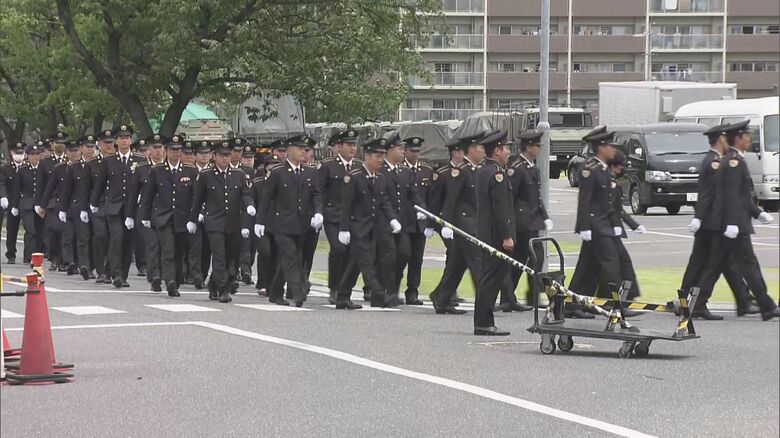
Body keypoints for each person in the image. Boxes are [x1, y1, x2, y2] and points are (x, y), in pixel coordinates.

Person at [701, 121, 779, 320]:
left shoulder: (730, 159)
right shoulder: (734, 161)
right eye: (747, 137)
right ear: (738, 138)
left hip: (727, 223)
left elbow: (741, 197)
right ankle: (767, 305)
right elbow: (732, 195)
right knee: (749, 265)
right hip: (734, 225)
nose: (749, 140)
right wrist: (733, 222)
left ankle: (698, 302)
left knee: (715, 264)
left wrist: (757, 212)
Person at [680, 124, 758, 319]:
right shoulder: (714, 162)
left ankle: (741, 300)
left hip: (712, 222)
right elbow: (709, 194)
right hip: (713, 223)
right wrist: (699, 217)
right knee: (715, 263)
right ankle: (694, 302)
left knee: (712, 263)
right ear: (721, 139)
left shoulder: (719, 160)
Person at [255, 135, 322, 307]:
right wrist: (259, 222)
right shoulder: (277, 172)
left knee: (291, 258)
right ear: (290, 150)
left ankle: (276, 292)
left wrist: (318, 213)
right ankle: (297, 291)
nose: (303, 153)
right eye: (300, 149)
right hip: (282, 224)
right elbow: (266, 198)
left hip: (301, 225)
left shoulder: (310, 172)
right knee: (291, 256)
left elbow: (316, 194)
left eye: (305, 150)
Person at [336, 137, 399, 309]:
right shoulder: (354, 177)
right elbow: (346, 205)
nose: (380, 160)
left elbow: (384, 201)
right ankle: (379, 295)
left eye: (382, 156)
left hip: (372, 228)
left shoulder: (380, 178)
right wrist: (343, 229)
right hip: (356, 227)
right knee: (367, 263)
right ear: (367, 157)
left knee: (355, 264)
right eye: (377, 156)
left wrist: (392, 219)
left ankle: (342, 296)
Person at [188, 141, 254, 303]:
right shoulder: (206, 175)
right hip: (214, 222)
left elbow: (245, 193)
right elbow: (198, 199)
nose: (225, 158)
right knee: (219, 255)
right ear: (214, 156)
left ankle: (213, 283)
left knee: (232, 257)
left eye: (227, 155)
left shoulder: (238, 174)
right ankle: (224, 289)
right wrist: (193, 219)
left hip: (233, 222)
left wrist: (249, 205)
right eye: (221, 155)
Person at [568, 128, 622, 318]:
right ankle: (618, 304)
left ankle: (579, 303)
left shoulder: (603, 168)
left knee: (589, 268)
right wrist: (584, 227)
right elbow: (585, 200)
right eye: (609, 145)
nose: (612, 149)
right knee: (611, 263)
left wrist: (614, 222)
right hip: (595, 226)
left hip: (603, 223)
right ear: (600, 147)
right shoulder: (589, 169)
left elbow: (607, 201)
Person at [141, 135, 199, 297]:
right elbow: (148, 195)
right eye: (173, 150)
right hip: (163, 217)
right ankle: (170, 281)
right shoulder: (157, 170)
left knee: (179, 252)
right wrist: (145, 216)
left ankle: (177, 279)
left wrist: (195, 216)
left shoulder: (190, 170)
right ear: (166, 151)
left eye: (178, 150)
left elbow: (195, 196)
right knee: (167, 250)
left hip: (183, 218)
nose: (176, 152)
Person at [90, 125, 147, 288]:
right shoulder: (109, 160)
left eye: (128, 137)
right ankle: (115, 274)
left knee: (128, 242)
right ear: (116, 141)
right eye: (121, 138)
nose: (125, 140)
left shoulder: (139, 160)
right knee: (117, 238)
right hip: (114, 206)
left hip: (133, 207)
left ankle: (124, 274)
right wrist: (94, 203)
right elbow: (100, 184)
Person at [435, 132, 486, 313]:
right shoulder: (461, 171)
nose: (483, 151)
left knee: (457, 266)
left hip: (473, 223)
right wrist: (446, 224)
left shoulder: (475, 170)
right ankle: (484, 302)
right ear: (471, 150)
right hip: (464, 225)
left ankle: (442, 300)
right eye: (480, 147)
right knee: (477, 264)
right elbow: (451, 199)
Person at [503, 130, 551, 312]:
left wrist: (545, 217)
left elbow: (536, 198)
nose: (539, 149)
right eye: (537, 145)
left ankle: (527, 295)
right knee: (519, 262)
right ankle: (509, 298)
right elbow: (511, 199)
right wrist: (511, 224)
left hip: (533, 221)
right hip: (522, 223)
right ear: (529, 146)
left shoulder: (532, 168)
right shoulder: (517, 169)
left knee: (533, 260)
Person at [474, 129, 515, 336]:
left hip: (486, 232)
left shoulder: (483, 170)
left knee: (488, 278)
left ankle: (484, 320)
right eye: (506, 148)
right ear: (497, 150)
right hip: (495, 235)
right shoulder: (497, 174)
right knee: (491, 279)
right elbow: (500, 209)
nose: (509, 151)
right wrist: (506, 235)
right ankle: (483, 322)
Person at [381, 134, 425, 305]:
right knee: (387, 257)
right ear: (390, 150)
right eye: (400, 148)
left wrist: (421, 210)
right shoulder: (381, 170)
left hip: (403, 223)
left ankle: (392, 288)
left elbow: (414, 195)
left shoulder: (405, 172)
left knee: (405, 254)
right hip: (384, 222)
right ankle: (384, 289)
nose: (403, 152)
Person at [317, 129, 361, 304]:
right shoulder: (328, 165)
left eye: (355, 145)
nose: (352, 148)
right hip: (333, 216)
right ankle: (334, 288)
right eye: (349, 145)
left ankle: (346, 292)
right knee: (338, 249)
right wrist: (318, 211)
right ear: (340, 146)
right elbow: (319, 190)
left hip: (353, 218)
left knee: (354, 253)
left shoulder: (359, 166)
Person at [601, 150, 645, 311]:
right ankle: (615, 301)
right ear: (613, 167)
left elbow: (619, 210)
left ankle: (623, 297)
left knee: (618, 264)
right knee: (614, 265)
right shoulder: (604, 179)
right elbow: (607, 207)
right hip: (604, 229)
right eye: (621, 167)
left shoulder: (611, 180)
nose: (622, 171)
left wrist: (634, 225)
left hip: (610, 229)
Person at [428, 137, 466, 312]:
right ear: (455, 153)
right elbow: (434, 201)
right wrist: (432, 224)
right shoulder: (442, 173)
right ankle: (443, 294)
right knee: (455, 258)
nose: (462, 155)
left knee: (455, 260)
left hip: (460, 223)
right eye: (460, 152)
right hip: (444, 223)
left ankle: (443, 293)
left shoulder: (466, 171)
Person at [401, 136, 435, 305]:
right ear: (405, 151)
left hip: (419, 222)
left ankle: (412, 291)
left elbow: (430, 198)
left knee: (417, 258)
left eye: (417, 151)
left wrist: (430, 223)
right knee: (402, 255)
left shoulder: (426, 170)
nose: (415, 154)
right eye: (412, 151)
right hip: (403, 221)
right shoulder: (399, 170)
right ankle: (392, 287)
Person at [59, 135, 97, 280]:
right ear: (81, 149)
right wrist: (62, 209)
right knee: (83, 238)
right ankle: (85, 266)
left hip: (96, 207)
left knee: (97, 238)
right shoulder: (73, 167)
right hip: (77, 207)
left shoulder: (99, 164)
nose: (90, 150)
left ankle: (93, 265)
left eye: (92, 147)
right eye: (87, 147)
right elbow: (66, 190)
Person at [42, 140, 81, 275]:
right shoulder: (60, 168)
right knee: (59, 233)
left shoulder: (83, 167)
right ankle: (61, 260)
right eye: (71, 151)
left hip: (76, 204)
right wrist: (43, 205)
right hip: (59, 205)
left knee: (75, 235)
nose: (74, 153)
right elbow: (50, 187)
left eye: (76, 150)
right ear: (66, 153)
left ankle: (72, 261)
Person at [88, 129, 115, 283]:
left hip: (115, 205)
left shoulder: (118, 161)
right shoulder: (92, 164)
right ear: (99, 144)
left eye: (111, 142)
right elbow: (86, 188)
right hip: (97, 205)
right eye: (105, 143)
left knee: (114, 238)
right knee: (100, 236)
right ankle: (100, 270)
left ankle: (110, 270)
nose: (109, 145)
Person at [12, 142, 46, 262]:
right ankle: (29, 256)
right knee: (30, 230)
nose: (35, 156)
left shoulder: (44, 168)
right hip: (26, 204)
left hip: (40, 204)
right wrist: (14, 206)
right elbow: (17, 189)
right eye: (32, 154)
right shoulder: (22, 170)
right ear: (28, 155)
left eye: (38, 153)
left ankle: (38, 256)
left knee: (40, 231)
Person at [41, 130, 68, 271]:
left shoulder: (70, 161)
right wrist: (42, 205)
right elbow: (42, 185)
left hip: (68, 201)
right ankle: (54, 257)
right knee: (53, 230)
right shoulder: (45, 162)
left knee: (65, 232)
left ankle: (64, 260)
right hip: (52, 202)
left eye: (63, 143)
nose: (60, 145)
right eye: (58, 143)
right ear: (52, 144)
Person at [1, 142, 26, 264]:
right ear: (11, 153)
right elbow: (2, 183)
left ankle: (29, 255)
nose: (19, 155)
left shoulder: (27, 166)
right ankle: (11, 254)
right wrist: (3, 196)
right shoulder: (5, 168)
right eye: (17, 153)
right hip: (11, 202)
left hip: (26, 201)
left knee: (30, 229)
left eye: (21, 153)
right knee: (11, 229)